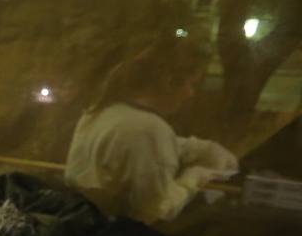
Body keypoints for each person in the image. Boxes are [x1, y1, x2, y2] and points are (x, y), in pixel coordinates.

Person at [65, 35, 239, 224]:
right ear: (168, 81)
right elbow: (156, 210)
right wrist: (195, 177)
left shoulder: (102, 113)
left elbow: (140, 147)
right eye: (190, 83)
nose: (190, 93)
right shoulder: (149, 129)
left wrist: (205, 149)